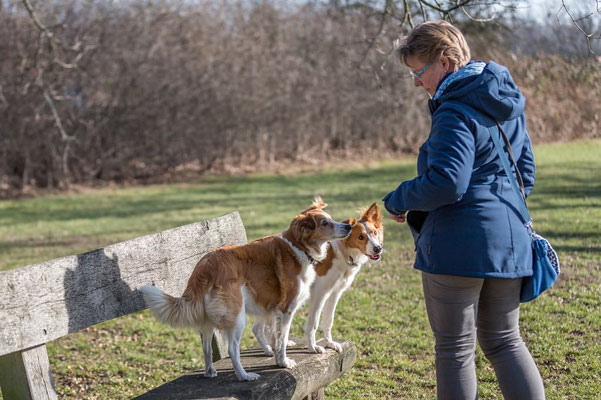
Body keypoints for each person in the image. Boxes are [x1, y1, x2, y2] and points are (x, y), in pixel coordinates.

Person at [382, 21, 545, 400]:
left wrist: (399, 198)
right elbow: (527, 177)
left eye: (419, 71)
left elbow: (447, 183)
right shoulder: (505, 103)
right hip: (511, 243)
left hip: (458, 247)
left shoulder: (454, 111)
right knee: (506, 342)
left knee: (454, 350)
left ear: (447, 61)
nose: (416, 82)